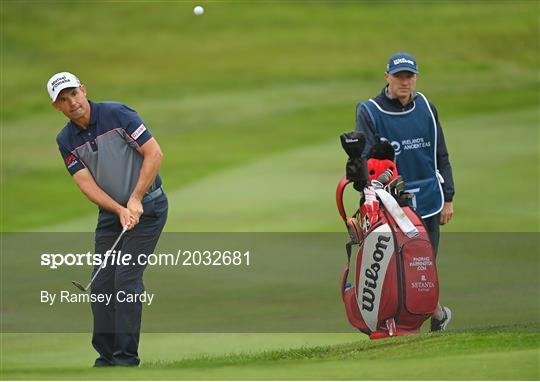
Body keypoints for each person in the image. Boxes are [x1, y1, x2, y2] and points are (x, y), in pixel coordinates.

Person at [47, 72, 168, 366]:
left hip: (149, 208)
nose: (72, 102)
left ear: (84, 90)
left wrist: (136, 198)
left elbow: (154, 154)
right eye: (63, 99)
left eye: (73, 93)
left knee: (126, 281)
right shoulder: (66, 139)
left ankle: (126, 359)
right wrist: (119, 209)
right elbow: (86, 184)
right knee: (101, 284)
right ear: (57, 107)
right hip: (112, 214)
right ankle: (107, 358)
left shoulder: (117, 114)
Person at [355, 53, 455, 332]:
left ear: (415, 78)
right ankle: (431, 317)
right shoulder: (370, 110)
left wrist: (448, 196)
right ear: (387, 77)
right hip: (391, 204)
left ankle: (429, 318)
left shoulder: (426, 107)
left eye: (409, 76)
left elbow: (440, 154)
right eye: (398, 76)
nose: (404, 82)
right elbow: (366, 161)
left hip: (429, 200)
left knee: (424, 268)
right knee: (399, 270)